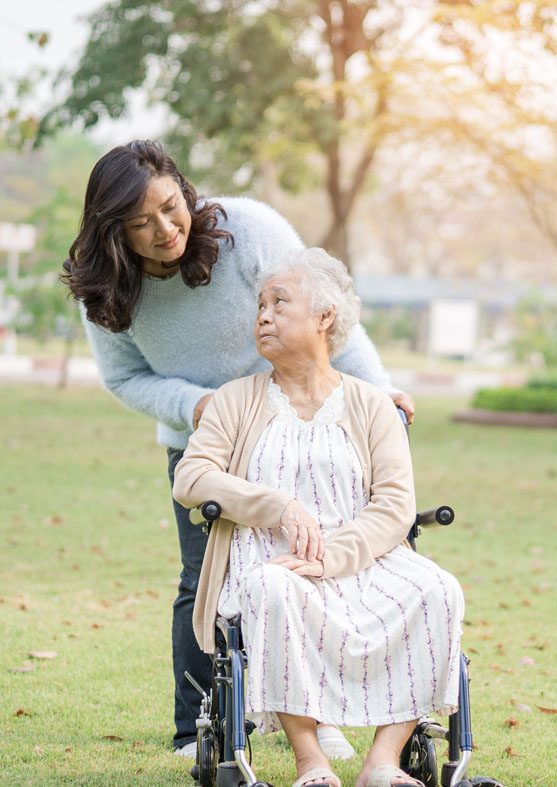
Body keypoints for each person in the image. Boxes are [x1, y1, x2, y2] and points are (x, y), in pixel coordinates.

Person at [62, 139, 415, 758]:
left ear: (184, 190)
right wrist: (196, 406)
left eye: (170, 207)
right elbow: (124, 379)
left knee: (310, 561)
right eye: (141, 223)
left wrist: (376, 391)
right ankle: (199, 726)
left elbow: (322, 313)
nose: (165, 229)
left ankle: (316, 715)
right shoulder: (108, 291)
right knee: (204, 577)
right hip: (205, 442)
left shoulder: (246, 231)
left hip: (294, 425)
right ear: (113, 230)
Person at [173, 248, 464, 787]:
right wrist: (277, 505)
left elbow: (394, 504)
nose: (264, 316)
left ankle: (383, 761)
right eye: (260, 306)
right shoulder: (235, 401)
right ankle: (311, 761)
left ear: (325, 316)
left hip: (360, 558)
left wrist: (331, 556)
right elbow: (191, 477)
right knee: (273, 587)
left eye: (279, 303)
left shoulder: (372, 405)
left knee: (439, 588)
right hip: (270, 559)